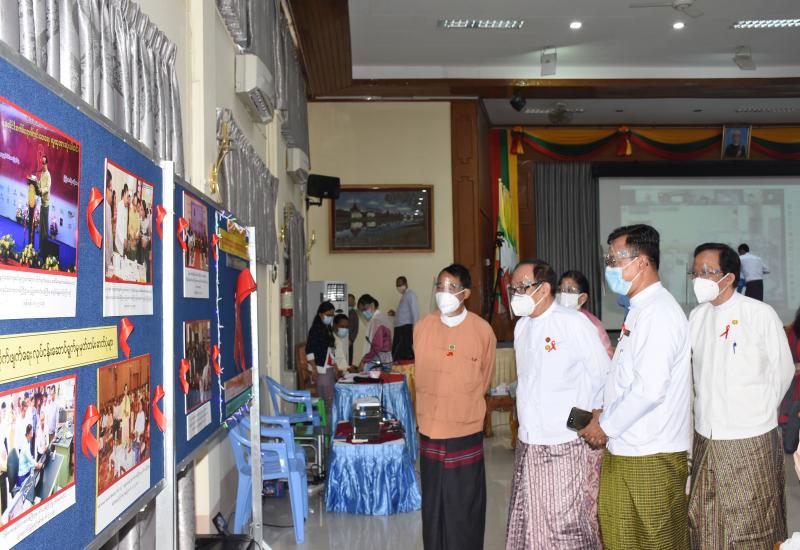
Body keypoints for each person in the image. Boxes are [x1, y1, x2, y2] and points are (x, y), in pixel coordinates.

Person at [578, 224, 692, 550]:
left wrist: (605, 426)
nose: (609, 268)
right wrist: (603, 413)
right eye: (609, 260)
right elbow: (625, 379)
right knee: (620, 538)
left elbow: (650, 389)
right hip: (626, 447)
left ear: (641, 262)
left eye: (615, 260)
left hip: (651, 454)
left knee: (657, 542)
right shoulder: (640, 309)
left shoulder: (659, 313)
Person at [687, 243, 793, 549]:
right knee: (706, 519)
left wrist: (757, 412)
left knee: (754, 521)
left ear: (729, 277)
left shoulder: (759, 313)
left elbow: (783, 371)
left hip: (751, 437)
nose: (699, 279)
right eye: (695, 272)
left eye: (707, 272)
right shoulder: (696, 316)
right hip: (707, 435)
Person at [506, 260, 610, 549]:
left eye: (522, 287)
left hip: (563, 442)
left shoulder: (573, 323)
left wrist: (587, 421)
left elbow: (603, 376)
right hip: (528, 442)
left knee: (564, 527)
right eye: (513, 288)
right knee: (530, 523)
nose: (515, 294)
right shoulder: (522, 327)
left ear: (544, 289)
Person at [414, 263, 496, 550]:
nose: (443, 292)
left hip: (464, 430)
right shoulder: (422, 328)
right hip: (431, 429)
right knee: (433, 506)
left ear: (466, 293)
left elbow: (484, 377)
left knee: (464, 506)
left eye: (451, 287)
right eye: (440, 286)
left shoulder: (482, 330)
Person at [557, 269, 614, 358]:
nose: (562, 294)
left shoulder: (593, 324)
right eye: (560, 290)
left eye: (569, 291)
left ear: (582, 298)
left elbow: (607, 356)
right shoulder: (552, 319)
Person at [305, 302, 338, 414]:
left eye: (332, 315)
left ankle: (329, 419)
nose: (330, 317)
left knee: (331, 398)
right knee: (326, 399)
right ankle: (325, 421)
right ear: (320, 314)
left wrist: (335, 366)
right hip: (319, 368)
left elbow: (330, 350)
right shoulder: (315, 329)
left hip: (328, 367)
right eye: (328, 315)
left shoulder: (327, 328)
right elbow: (309, 350)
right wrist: (314, 369)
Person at [357, 294, 393, 371]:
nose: (363, 313)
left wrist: (364, 361)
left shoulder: (376, 320)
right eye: (361, 311)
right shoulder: (383, 317)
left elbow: (377, 346)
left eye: (364, 309)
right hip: (387, 359)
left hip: (378, 361)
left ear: (372, 305)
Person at [389, 275, 419, 361]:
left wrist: (415, 329)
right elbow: (405, 313)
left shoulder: (410, 294)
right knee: (397, 353)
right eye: (397, 285)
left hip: (405, 329)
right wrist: (395, 314)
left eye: (400, 284)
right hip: (400, 329)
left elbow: (415, 312)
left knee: (404, 353)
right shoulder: (404, 296)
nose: (399, 287)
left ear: (406, 284)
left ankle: (407, 367)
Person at [38, 155, 51, 246]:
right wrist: (36, 184)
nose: (43, 165)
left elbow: (47, 188)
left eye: (44, 163)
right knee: (41, 225)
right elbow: (40, 183)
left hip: (46, 204)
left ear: (47, 164)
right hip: (42, 203)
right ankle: (41, 245)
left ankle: (44, 245)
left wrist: (41, 190)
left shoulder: (48, 175)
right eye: (42, 163)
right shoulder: (42, 173)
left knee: (45, 226)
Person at [115, 184, 130, 256]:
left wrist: (125, 239)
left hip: (123, 241)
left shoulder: (126, 207)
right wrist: (123, 240)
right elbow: (118, 226)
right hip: (119, 241)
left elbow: (125, 226)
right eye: (127, 197)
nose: (128, 200)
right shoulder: (120, 206)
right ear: (124, 195)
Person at [347, 293, 359, 363]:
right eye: (348, 301)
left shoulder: (354, 314)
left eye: (351, 301)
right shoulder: (340, 312)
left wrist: (351, 340)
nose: (349, 303)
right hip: (339, 341)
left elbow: (356, 329)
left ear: (354, 303)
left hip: (349, 341)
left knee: (349, 360)